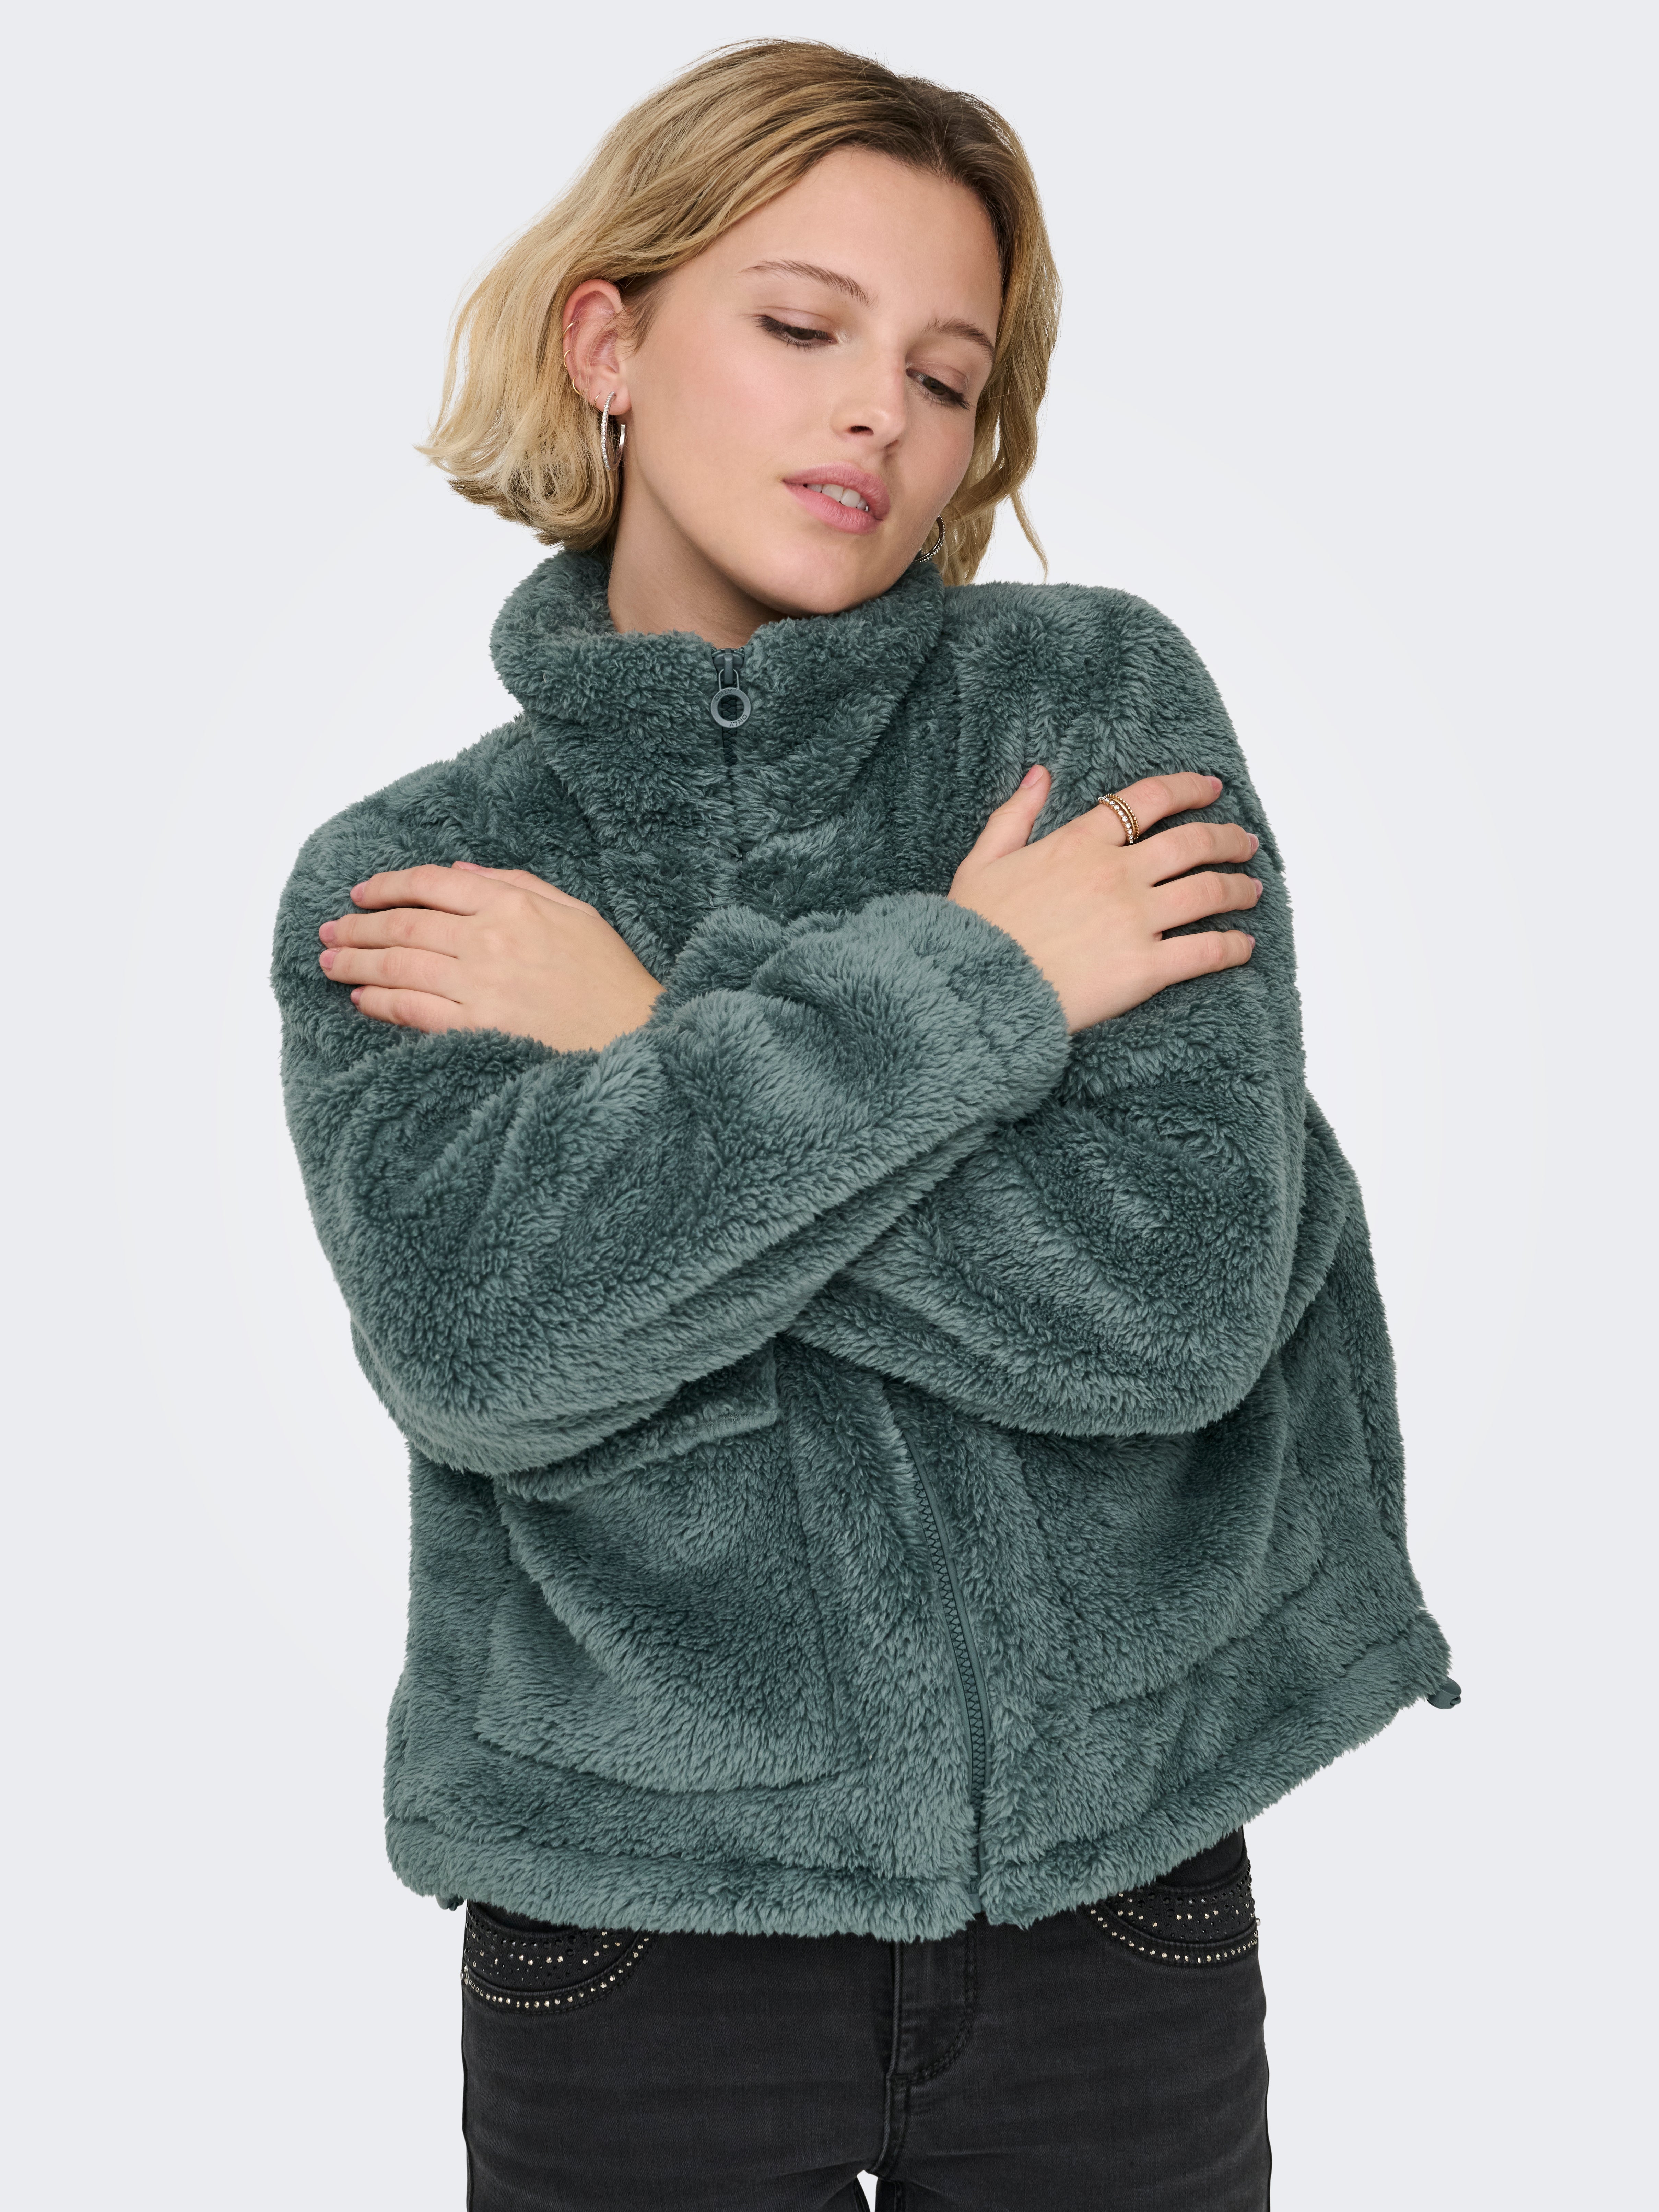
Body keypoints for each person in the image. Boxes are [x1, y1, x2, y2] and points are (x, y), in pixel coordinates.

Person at [273, 38, 1455, 2211]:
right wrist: (988, 987)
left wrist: (650, 1034)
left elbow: (1167, 1309)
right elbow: (492, 1357)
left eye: (942, 374)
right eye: (802, 328)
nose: (876, 418)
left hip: (1114, 1901)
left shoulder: (1082, 713)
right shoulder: (424, 884)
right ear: (608, 345)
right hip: (632, 1939)